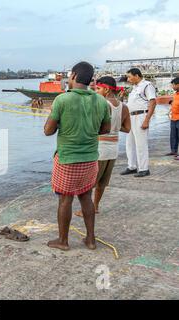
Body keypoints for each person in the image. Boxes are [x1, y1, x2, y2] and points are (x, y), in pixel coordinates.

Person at [44, 62, 111, 251]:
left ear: (73, 76)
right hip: (90, 158)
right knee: (86, 198)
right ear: (90, 79)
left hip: (68, 159)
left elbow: (48, 131)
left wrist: (59, 124)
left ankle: (63, 241)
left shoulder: (62, 100)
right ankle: (90, 240)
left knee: (65, 200)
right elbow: (105, 129)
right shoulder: (100, 101)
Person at [75, 76, 131, 217]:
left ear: (106, 89)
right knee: (102, 183)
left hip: (99, 148)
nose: (96, 91)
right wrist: (115, 126)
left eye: (98, 88)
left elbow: (92, 126)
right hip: (113, 149)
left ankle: (86, 210)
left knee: (89, 183)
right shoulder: (123, 107)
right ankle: (95, 207)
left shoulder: (102, 104)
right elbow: (127, 128)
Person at [121, 68, 157, 178]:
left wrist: (147, 120)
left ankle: (144, 169)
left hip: (141, 116)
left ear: (136, 75)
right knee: (129, 144)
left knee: (141, 144)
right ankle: (132, 166)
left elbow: (153, 101)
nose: (128, 79)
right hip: (131, 117)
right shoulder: (134, 88)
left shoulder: (147, 85)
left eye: (129, 76)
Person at [167, 77, 179, 158]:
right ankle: (173, 151)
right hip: (173, 118)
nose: (172, 86)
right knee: (173, 136)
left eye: (173, 85)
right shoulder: (175, 94)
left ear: (178, 85)